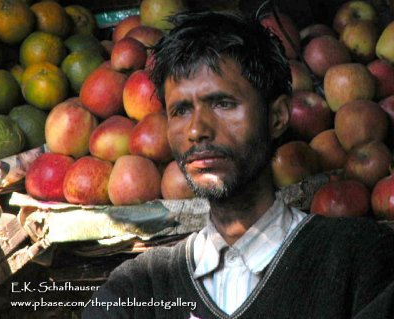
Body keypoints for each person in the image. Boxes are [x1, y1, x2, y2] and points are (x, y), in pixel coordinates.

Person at [83, 11, 394, 319]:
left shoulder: (360, 259)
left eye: (222, 103)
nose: (196, 130)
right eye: (179, 111)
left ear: (277, 118)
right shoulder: (137, 288)